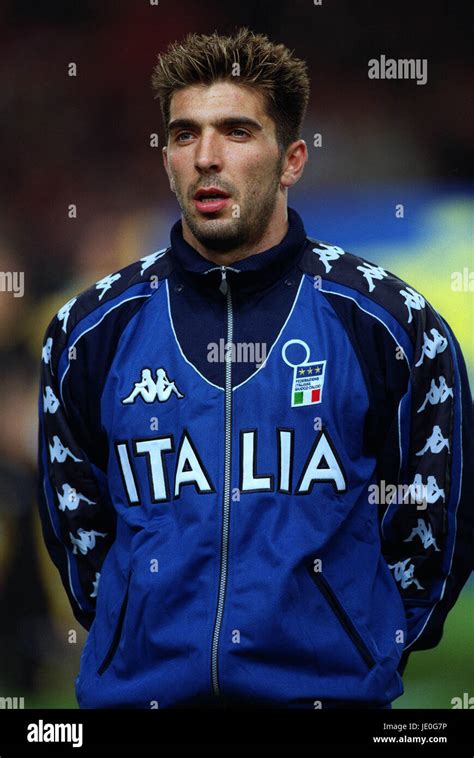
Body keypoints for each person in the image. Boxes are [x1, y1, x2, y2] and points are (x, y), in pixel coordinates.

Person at [37, 27, 473, 709]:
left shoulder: (393, 323)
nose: (206, 157)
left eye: (236, 131)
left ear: (292, 159)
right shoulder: (86, 331)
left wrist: (357, 644)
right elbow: (81, 541)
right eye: (184, 135)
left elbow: (436, 531)